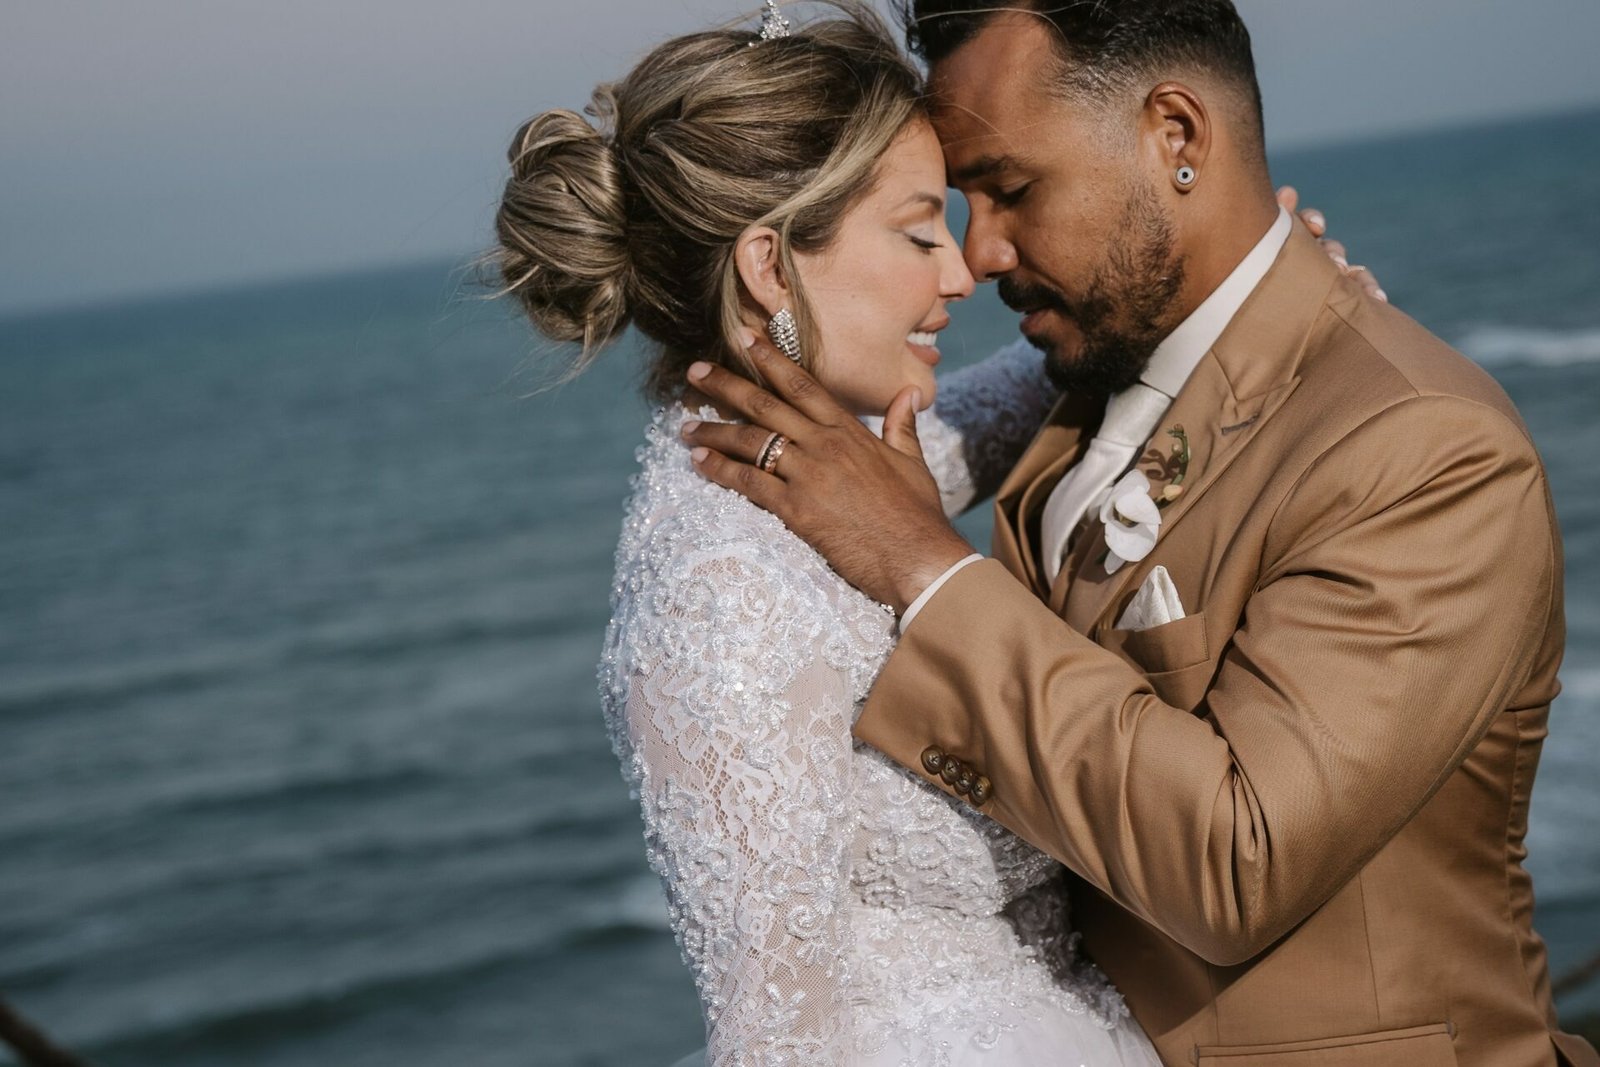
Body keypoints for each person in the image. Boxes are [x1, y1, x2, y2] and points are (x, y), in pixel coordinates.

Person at [680, 2, 1599, 1066]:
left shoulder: (1425, 446)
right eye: (963, 202)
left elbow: (1241, 860)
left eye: (1013, 190)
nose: (979, 253)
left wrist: (925, 567)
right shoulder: (1088, 390)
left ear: (1175, 135)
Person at [498, 3, 1358, 1063]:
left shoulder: (817, 468)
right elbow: (776, 1040)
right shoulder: (718, 592)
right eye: (917, 234)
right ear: (770, 267)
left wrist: (1243, 295)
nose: (960, 273)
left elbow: (1023, 401)